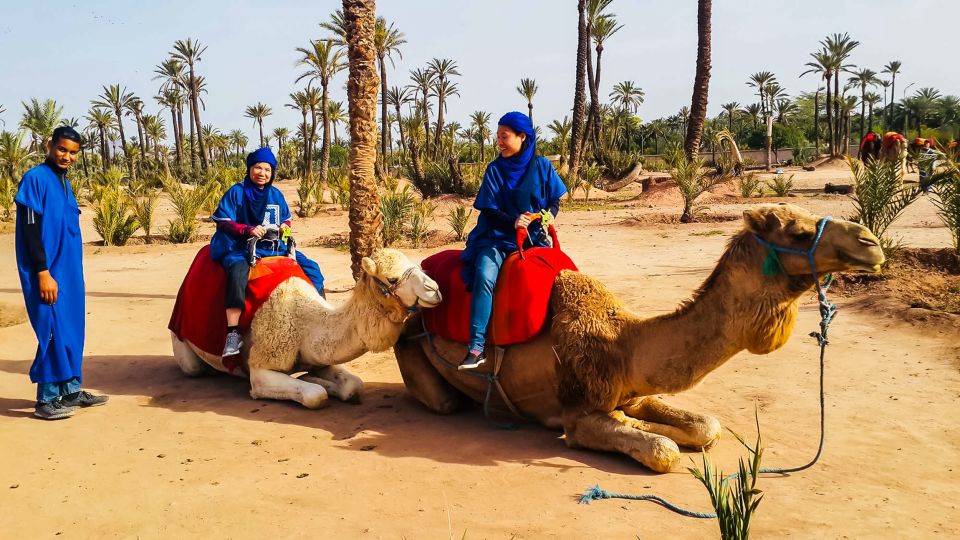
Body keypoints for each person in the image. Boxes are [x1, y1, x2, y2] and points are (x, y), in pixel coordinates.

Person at [457, 112, 567, 370]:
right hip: (495, 237)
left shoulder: (541, 166)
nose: (500, 142)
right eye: (498, 137)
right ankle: (477, 347)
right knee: (484, 275)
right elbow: (490, 210)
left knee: (558, 276)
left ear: (522, 137)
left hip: (534, 238)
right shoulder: (494, 170)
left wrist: (549, 215)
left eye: (504, 137)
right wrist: (513, 222)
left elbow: (554, 199)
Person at [14, 126, 109, 420]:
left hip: (69, 273)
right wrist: (42, 271)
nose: (67, 156)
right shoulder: (35, 180)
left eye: (73, 152)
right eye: (62, 149)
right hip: (47, 272)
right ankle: (46, 399)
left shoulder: (65, 182)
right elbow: (30, 231)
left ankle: (70, 390)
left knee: (72, 330)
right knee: (52, 331)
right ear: (49, 146)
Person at [209, 147, 325, 357]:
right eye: (257, 168)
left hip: (273, 247)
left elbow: (286, 219)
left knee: (312, 268)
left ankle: (321, 316)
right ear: (249, 168)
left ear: (272, 173)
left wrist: (284, 229)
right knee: (237, 272)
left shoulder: (275, 194)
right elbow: (222, 219)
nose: (262, 173)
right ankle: (233, 333)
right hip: (241, 247)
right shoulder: (236, 192)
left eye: (267, 169)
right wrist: (247, 229)